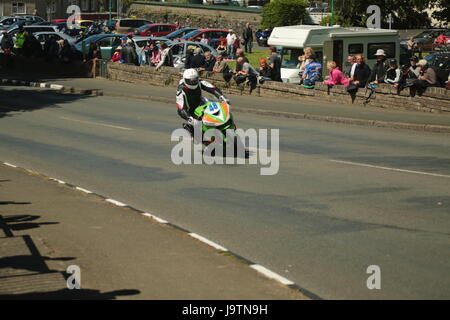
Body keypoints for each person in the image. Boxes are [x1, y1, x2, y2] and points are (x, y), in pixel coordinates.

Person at [176, 68, 229, 136]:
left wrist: (221, 96)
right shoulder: (181, 90)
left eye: (195, 80)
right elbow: (181, 108)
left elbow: (212, 88)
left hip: (201, 103)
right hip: (189, 110)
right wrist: (189, 118)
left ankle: (225, 123)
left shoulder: (199, 82)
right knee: (199, 125)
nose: (193, 82)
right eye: (191, 81)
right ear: (185, 80)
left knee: (216, 107)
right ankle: (192, 130)